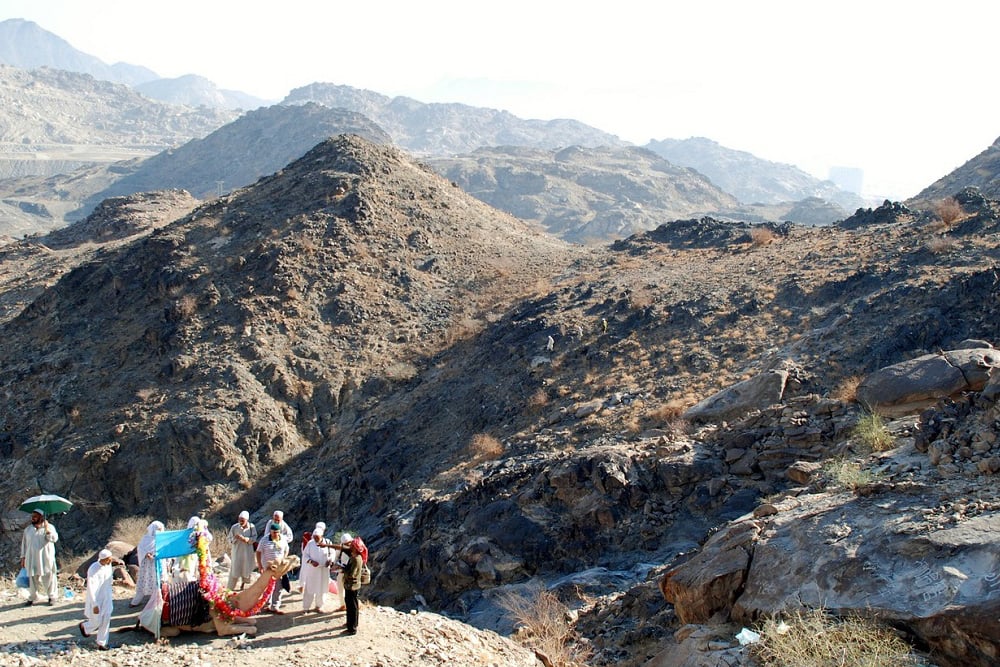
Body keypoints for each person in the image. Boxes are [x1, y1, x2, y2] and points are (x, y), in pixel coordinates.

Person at [79, 548, 116, 650]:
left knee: (106, 619)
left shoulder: (108, 566)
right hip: (97, 598)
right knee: (97, 620)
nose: (110, 561)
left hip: (107, 597)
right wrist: (95, 604)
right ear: (103, 559)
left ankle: (102, 643)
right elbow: (91, 587)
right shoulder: (93, 569)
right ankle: (85, 627)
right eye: (108, 559)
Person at [20, 509, 58, 606]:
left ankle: (52, 597)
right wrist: (23, 557)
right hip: (31, 558)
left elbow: (54, 539)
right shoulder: (28, 530)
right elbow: (24, 545)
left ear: (41, 517)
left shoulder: (49, 527)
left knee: (49, 577)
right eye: (32, 516)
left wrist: (47, 529)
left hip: (45, 558)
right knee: (32, 578)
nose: (33, 518)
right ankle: (33, 597)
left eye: (35, 516)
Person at [255, 523, 289, 614]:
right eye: (274, 532)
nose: (275, 534)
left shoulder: (283, 539)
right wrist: (260, 566)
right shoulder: (264, 540)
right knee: (266, 586)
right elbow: (258, 552)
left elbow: (286, 549)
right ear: (270, 532)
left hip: (279, 568)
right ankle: (265, 604)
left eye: (277, 532)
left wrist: (284, 559)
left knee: (278, 586)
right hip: (267, 567)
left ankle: (275, 606)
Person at [130, 520, 164, 607]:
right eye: (157, 529)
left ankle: (157, 600)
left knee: (159, 581)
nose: (159, 531)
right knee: (145, 581)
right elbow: (140, 548)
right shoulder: (146, 539)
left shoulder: (162, 538)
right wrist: (146, 554)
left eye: (160, 529)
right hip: (148, 564)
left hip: (159, 562)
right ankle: (136, 601)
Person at [300, 522, 332, 612]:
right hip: (313, 571)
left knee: (322, 589)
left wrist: (330, 560)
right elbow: (305, 555)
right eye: (314, 537)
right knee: (309, 589)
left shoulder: (328, 542)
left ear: (321, 536)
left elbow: (332, 553)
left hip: (323, 570)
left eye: (317, 538)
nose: (315, 539)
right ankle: (306, 608)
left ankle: (319, 606)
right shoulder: (310, 543)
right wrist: (311, 561)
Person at [341, 536, 367, 635]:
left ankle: (351, 628)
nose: (350, 547)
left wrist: (343, 570)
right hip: (353, 585)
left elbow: (351, 574)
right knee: (353, 605)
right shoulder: (357, 556)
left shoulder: (356, 559)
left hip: (351, 585)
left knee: (351, 606)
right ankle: (352, 624)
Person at [228, 511, 258, 591]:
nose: (240, 522)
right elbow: (229, 539)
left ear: (246, 520)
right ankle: (230, 588)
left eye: (242, 520)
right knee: (235, 568)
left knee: (246, 568)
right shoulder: (234, 527)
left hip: (247, 552)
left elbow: (254, 538)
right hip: (237, 551)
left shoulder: (252, 527)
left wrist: (246, 539)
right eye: (239, 520)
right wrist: (235, 538)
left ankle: (243, 584)